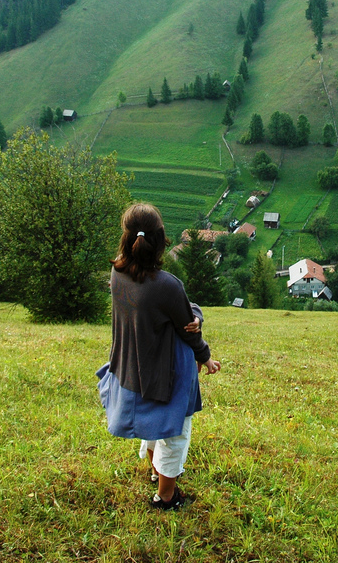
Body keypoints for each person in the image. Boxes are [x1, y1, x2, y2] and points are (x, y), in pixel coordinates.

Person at [97, 203, 221, 511]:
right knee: (174, 433)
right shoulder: (166, 284)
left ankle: (156, 472)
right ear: (161, 238)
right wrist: (205, 356)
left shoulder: (117, 272)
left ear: (126, 238)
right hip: (165, 371)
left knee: (153, 426)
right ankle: (167, 497)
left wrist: (192, 315)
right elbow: (187, 326)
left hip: (131, 366)